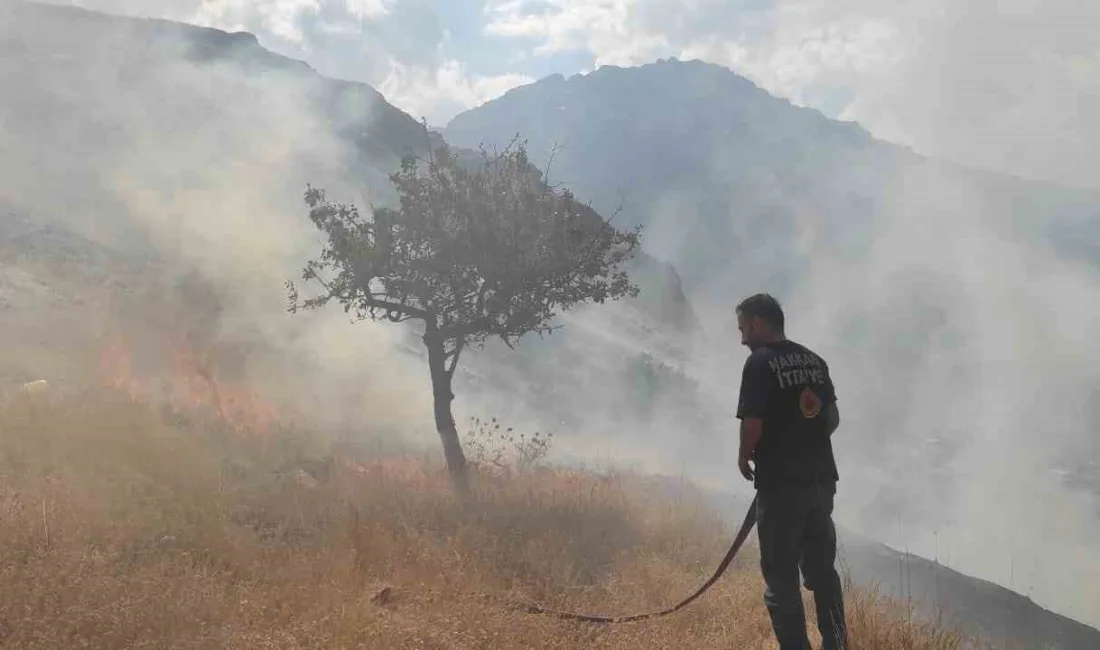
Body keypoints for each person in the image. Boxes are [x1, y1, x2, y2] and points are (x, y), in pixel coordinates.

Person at [734, 293, 847, 650]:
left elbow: (752, 423)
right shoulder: (815, 361)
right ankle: (837, 644)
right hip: (820, 483)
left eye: (743, 328)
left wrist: (744, 456)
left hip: (782, 489)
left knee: (782, 581)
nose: (741, 339)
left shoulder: (759, 363)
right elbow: (831, 418)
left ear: (757, 322)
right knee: (822, 574)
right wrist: (805, 443)